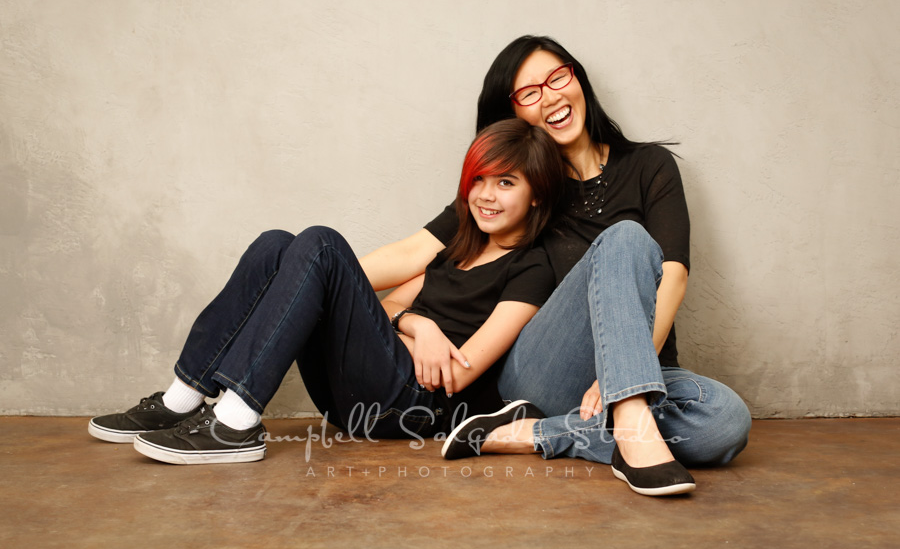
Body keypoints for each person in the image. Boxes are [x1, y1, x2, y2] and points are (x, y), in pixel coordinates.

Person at [368, 35, 752, 496]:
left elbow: (674, 274)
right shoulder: (517, 191)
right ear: (514, 114)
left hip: (644, 361)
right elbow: (413, 253)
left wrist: (623, 377)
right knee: (626, 236)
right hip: (545, 369)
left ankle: (529, 433)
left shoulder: (650, 165)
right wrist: (326, 281)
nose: (550, 96)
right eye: (530, 92)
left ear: (578, 80)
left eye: (557, 77)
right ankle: (628, 424)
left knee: (725, 421)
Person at [88, 118, 566, 464]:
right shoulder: (458, 247)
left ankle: (235, 423)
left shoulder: (532, 270)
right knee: (276, 245)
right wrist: (424, 328)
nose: (486, 195)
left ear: (537, 193)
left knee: (321, 242)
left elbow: (458, 376)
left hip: (411, 407)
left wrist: (420, 335)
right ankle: (181, 398)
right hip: (361, 391)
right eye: (479, 180)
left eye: (506, 183)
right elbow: (395, 307)